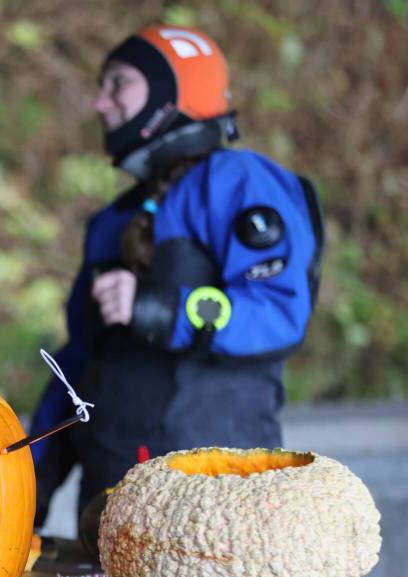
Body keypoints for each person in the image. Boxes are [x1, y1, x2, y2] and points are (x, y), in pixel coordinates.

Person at [30, 24, 325, 526]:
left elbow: (279, 310)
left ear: (171, 94)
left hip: (215, 505)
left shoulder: (237, 182)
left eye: (118, 83)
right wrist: (28, 484)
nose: (101, 103)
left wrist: (162, 309)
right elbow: (78, 362)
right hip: (108, 508)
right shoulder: (112, 221)